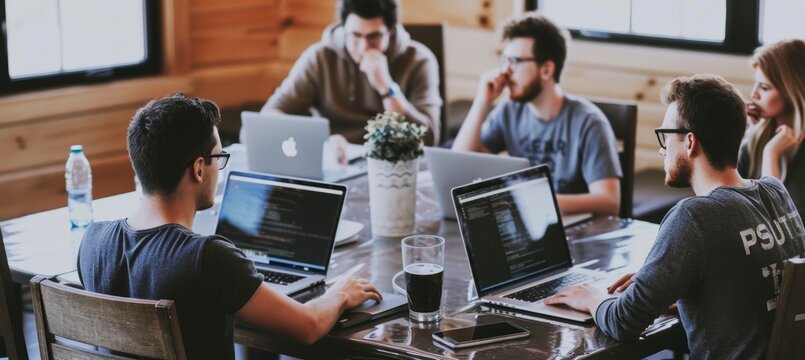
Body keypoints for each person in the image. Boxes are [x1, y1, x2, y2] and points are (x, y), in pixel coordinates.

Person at [77, 93, 382, 359]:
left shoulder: (93, 241)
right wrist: (341, 293)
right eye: (219, 157)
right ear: (199, 168)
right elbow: (309, 326)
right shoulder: (206, 258)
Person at [544, 75, 805, 359]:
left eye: (666, 137)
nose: (662, 149)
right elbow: (749, 284)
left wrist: (591, 297)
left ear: (690, 142)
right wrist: (671, 282)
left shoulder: (695, 217)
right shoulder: (775, 191)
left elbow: (623, 322)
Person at [451, 13, 621, 216]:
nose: (505, 72)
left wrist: (532, 199)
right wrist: (482, 101)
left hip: (574, 227)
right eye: (504, 61)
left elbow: (609, 202)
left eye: (515, 61)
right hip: (526, 222)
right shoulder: (509, 111)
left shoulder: (589, 122)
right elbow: (460, 167)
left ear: (547, 70)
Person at [262, 0, 442, 161]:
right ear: (343, 28)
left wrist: (387, 87)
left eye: (374, 36)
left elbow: (429, 139)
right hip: (336, 163)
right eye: (355, 35)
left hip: (394, 165)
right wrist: (322, 142)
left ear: (391, 30)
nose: (363, 47)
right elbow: (270, 115)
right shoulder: (319, 58)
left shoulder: (419, 60)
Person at [739, 38, 805, 220]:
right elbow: (726, 196)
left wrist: (771, 154)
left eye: (764, 87)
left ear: (791, 91)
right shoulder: (757, 133)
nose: (754, 94)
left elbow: (775, 222)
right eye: (755, 84)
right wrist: (737, 128)